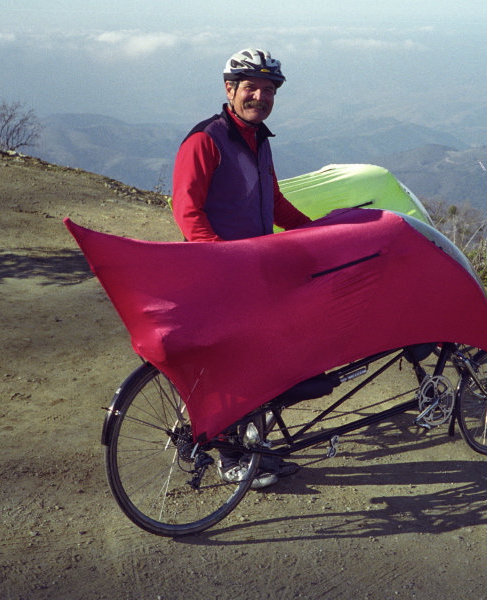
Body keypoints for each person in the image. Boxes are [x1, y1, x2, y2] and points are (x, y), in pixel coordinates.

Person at [171, 48, 310, 489]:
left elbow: (276, 202)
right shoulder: (206, 140)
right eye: (251, 87)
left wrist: (318, 232)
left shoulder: (259, 140)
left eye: (269, 90)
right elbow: (187, 211)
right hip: (221, 273)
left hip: (254, 271)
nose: (260, 97)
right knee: (237, 365)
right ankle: (231, 457)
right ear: (229, 89)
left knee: (263, 360)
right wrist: (221, 259)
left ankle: (226, 439)